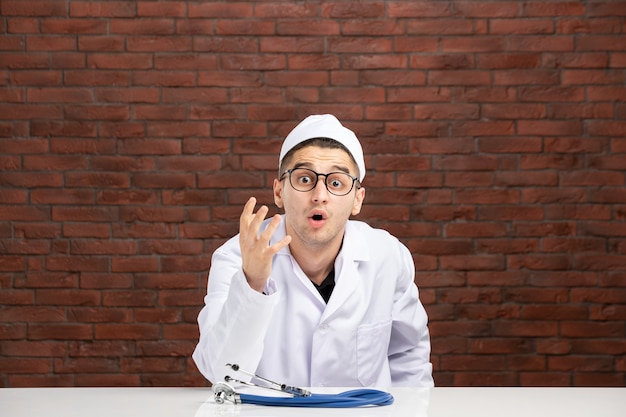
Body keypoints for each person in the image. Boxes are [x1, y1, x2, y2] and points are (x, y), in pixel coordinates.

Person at [192, 114, 434, 388]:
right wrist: (252, 284)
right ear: (279, 192)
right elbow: (220, 372)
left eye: (336, 182)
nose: (320, 195)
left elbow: (409, 356)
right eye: (305, 179)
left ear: (357, 199)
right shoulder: (235, 257)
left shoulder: (387, 256)